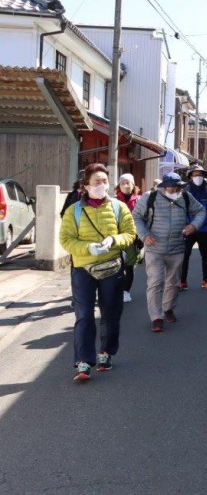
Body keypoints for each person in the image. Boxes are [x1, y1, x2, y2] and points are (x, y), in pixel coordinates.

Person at [59, 163, 137, 382]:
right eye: (97, 182)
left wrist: (114, 240)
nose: (102, 185)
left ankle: (106, 352)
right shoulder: (73, 210)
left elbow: (130, 234)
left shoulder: (118, 207)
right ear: (85, 186)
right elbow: (65, 239)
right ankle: (83, 361)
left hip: (112, 266)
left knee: (111, 313)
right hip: (83, 268)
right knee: (84, 315)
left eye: (105, 181)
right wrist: (87, 248)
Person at [132, 172, 205, 333]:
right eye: (171, 189)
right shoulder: (149, 197)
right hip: (154, 248)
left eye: (177, 188)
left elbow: (201, 211)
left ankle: (168, 308)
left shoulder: (185, 196)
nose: (174, 192)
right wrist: (144, 235)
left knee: (174, 283)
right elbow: (136, 216)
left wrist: (194, 226)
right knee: (156, 282)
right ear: (164, 187)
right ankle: (156, 317)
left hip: (177, 248)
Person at [181, 164, 207, 291]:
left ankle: (206, 280)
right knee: (184, 255)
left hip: (205, 228)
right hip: (188, 229)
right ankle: (182, 281)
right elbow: (180, 209)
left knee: (205, 255)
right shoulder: (185, 191)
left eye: (200, 174)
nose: (197, 176)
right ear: (190, 176)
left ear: (204, 176)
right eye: (194, 174)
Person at [115, 173, 141, 303]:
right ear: (119, 185)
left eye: (128, 182)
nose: (125, 185)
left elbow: (145, 218)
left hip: (133, 239)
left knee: (130, 266)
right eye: (123, 183)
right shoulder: (113, 200)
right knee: (116, 266)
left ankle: (126, 291)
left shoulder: (140, 200)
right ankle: (115, 290)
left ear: (133, 184)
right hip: (116, 238)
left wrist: (141, 237)